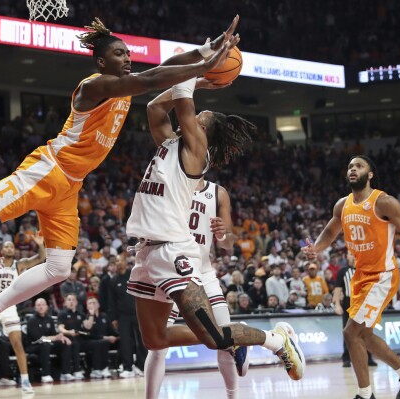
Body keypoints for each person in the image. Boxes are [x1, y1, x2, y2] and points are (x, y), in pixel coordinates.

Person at [0, 16, 240, 360]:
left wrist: (207, 49)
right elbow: (152, 78)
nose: (127, 58)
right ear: (102, 62)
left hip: (69, 185)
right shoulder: (97, 85)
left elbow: (164, 67)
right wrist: (204, 68)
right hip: (48, 171)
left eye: (128, 53)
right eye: (119, 54)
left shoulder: (124, 83)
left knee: (58, 268)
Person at [124, 43, 305, 385]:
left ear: (203, 132)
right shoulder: (169, 144)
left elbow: (180, 99)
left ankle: (277, 341)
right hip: (147, 251)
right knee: (155, 340)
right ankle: (231, 334)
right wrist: (203, 79)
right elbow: (153, 107)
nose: (194, 117)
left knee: (217, 338)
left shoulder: (196, 151)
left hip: (174, 251)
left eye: (199, 117)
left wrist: (197, 63)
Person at [301, 155, 400, 399]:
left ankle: (365, 394)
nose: (352, 169)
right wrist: (316, 249)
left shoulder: (384, 202)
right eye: (349, 166)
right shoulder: (342, 205)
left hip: (383, 275)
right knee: (363, 336)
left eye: (359, 166)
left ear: (370, 174)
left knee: (350, 333)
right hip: (360, 276)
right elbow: (329, 231)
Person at [144, 177, 247, 399]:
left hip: (203, 272)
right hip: (171, 268)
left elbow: (227, 244)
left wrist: (222, 234)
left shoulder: (218, 193)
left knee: (224, 343)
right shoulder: (169, 183)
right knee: (158, 345)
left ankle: (233, 396)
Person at [0, 236, 46, 394]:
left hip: (10, 307)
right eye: (7, 247)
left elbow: (40, 258)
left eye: (12, 246)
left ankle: (25, 381)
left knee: (18, 344)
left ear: (15, 250)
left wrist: (40, 245)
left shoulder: (19, 265)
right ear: (2, 250)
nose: (10, 248)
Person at [332, 252, 376, 368]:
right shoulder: (343, 271)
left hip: (364, 302)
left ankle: (368, 357)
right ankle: (346, 358)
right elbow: (337, 289)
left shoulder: (365, 270)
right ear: (346, 256)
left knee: (365, 331)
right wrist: (337, 304)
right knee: (348, 331)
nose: (353, 256)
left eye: (354, 254)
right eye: (350, 254)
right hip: (349, 302)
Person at [108, 254, 146, 378]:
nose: (118, 263)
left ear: (125, 262)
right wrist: (113, 318)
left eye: (120, 260)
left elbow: (142, 293)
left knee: (141, 341)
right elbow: (112, 301)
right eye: (116, 261)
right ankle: (127, 367)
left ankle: (142, 367)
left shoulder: (134, 274)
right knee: (125, 342)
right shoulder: (113, 280)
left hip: (138, 313)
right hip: (123, 316)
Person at [23, 297, 74, 383]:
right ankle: (45, 374)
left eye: (43, 305)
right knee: (45, 344)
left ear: (47, 307)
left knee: (64, 343)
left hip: (47, 343)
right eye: (38, 305)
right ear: (35, 308)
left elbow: (54, 335)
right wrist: (55, 338)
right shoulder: (32, 320)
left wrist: (63, 337)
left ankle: (65, 372)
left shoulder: (49, 319)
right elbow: (39, 339)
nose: (41, 307)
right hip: (33, 345)